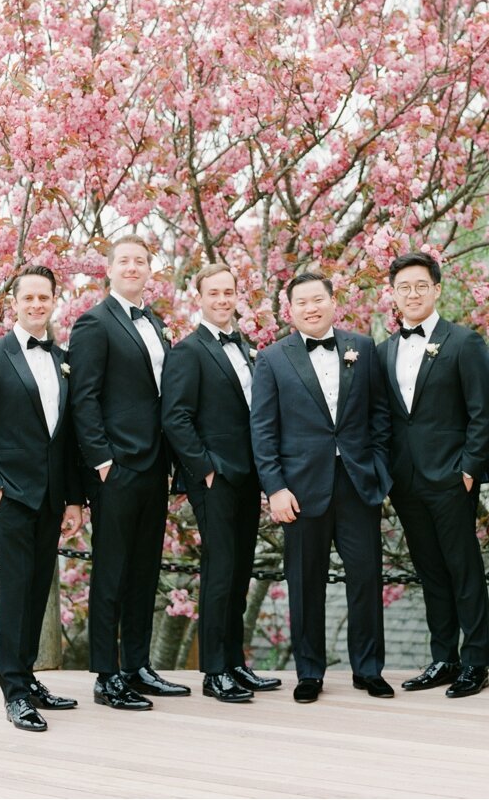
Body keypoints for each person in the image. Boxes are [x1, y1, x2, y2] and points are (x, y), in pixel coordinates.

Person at [249, 271, 392, 703]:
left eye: (318, 300)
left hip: (357, 483)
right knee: (305, 582)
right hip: (299, 490)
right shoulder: (272, 359)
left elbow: (380, 416)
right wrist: (274, 488)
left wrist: (379, 470)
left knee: (366, 578)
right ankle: (309, 672)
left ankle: (368, 669)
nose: (311, 308)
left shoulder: (363, 348)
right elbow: (263, 430)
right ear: (289, 310)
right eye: (302, 303)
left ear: (333, 302)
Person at [0, 265, 86, 732]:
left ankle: (28, 679)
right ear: (14, 303)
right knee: (15, 594)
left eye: (43, 297)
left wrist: (73, 498)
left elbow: (66, 439)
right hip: (8, 498)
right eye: (27, 298)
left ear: (54, 300)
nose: (35, 305)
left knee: (37, 590)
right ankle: (14, 693)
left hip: (51, 498)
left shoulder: (63, 359)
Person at [69, 237, 189, 709]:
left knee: (144, 571)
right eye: (125, 261)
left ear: (149, 270)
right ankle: (106, 675)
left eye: (141, 261)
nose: (133, 267)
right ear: (109, 270)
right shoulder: (94, 323)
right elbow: (84, 397)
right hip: (115, 469)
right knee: (112, 574)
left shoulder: (155, 323)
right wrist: (102, 461)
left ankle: (138, 667)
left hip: (154, 467)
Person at [376, 252, 489, 699]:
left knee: (463, 568)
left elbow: (484, 413)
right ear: (393, 294)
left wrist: (469, 469)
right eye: (403, 287)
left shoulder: (464, 342)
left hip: (451, 477)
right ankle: (444, 657)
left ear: (437, 289)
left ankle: (476, 661)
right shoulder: (384, 349)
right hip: (405, 482)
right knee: (430, 571)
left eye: (420, 285)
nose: (412, 293)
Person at [161, 261, 281, 703]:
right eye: (214, 293)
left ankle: (235, 663)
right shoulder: (188, 351)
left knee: (239, 574)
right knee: (218, 573)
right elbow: (175, 416)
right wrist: (205, 469)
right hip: (215, 477)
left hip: (249, 475)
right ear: (201, 297)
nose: (223, 300)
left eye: (229, 292)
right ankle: (214, 672)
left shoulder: (247, 347)